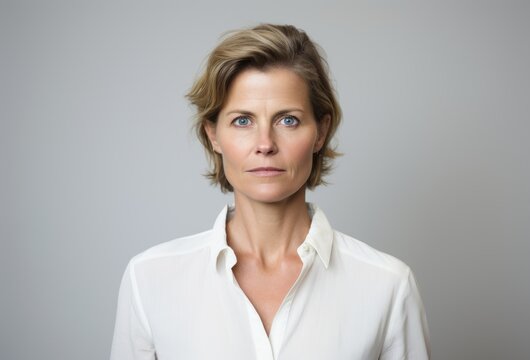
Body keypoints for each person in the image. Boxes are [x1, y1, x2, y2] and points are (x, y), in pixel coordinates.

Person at [110, 24, 430, 360]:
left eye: (287, 120)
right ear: (213, 135)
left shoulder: (387, 286)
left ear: (320, 132)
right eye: (242, 121)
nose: (265, 145)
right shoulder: (150, 280)